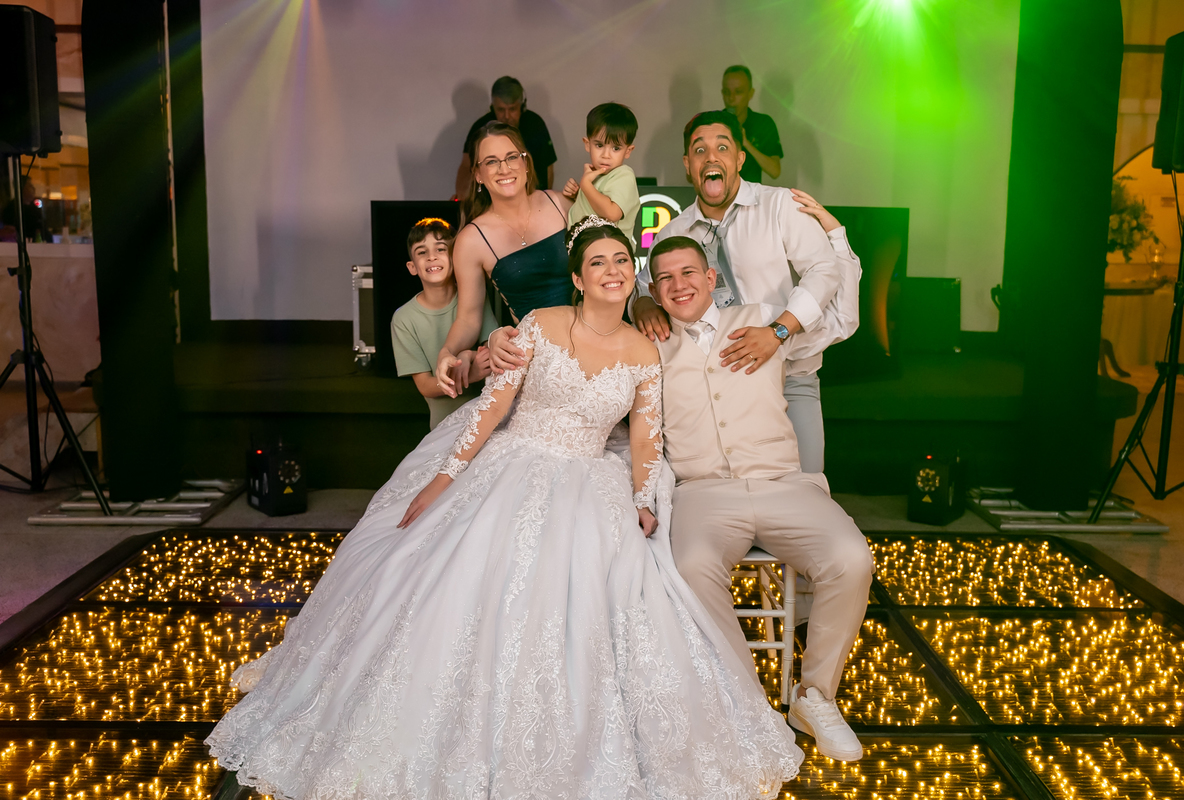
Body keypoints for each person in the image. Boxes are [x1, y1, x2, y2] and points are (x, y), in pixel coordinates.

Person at [206, 218, 804, 798]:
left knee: (608, 591)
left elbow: (646, 438)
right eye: (597, 262)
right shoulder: (539, 324)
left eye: (621, 260)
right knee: (456, 581)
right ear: (578, 278)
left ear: (634, 272)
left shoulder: (644, 352)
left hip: (590, 478)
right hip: (514, 461)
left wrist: (644, 498)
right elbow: (493, 406)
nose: (612, 270)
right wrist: (444, 478)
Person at [647, 234, 873, 763]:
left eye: (689, 273)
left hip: (782, 483)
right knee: (691, 566)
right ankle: (747, 705)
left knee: (852, 558)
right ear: (653, 291)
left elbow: (839, 312)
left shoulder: (765, 320)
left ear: (711, 278)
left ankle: (814, 698)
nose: (679, 285)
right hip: (702, 492)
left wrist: (835, 242)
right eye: (665, 278)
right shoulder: (648, 344)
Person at [631, 110, 861, 473]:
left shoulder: (780, 205)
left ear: (739, 159)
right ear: (688, 165)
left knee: (804, 481)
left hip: (791, 374)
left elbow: (823, 270)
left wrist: (777, 332)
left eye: (722, 147)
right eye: (700, 150)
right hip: (721, 377)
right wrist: (643, 301)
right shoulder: (674, 231)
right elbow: (646, 284)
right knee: (725, 482)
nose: (711, 157)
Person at [435, 121, 572, 398]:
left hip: (592, 340)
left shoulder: (562, 204)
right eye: (491, 161)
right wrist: (446, 352)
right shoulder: (471, 240)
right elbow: (469, 318)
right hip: (536, 358)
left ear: (526, 163)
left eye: (511, 157)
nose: (504, 168)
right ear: (478, 175)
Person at [390, 217, 499, 429]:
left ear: (455, 257)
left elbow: (491, 349)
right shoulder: (403, 319)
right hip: (444, 426)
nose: (431, 257)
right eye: (422, 252)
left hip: (487, 419)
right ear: (412, 267)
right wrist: (470, 375)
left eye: (440, 249)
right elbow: (425, 386)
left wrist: (468, 355)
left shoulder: (475, 297)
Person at [455, 76, 557, 199]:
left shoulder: (535, 124)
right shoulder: (480, 128)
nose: (507, 116)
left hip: (532, 196)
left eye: (512, 109)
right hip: (492, 199)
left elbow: (548, 167)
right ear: (493, 107)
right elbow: (466, 166)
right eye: (501, 110)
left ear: (522, 106)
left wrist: (543, 199)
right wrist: (462, 197)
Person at [562, 102, 641, 244]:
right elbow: (594, 210)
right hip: (584, 249)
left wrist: (586, 186)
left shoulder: (624, 175)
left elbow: (612, 213)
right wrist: (578, 195)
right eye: (599, 145)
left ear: (628, 151)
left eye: (616, 148)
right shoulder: (596, 175)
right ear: (587, 144)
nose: (606, 155)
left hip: (610, 251)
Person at [722, 66, 782, 184]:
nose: (731, 98)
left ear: (750, 94)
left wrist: (746, 143)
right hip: (719, 192)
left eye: (738, 92)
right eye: (727, 92)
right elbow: (690, 175)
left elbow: (775, 171)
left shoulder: (763, 123)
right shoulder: (712, 123)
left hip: (751, 193)